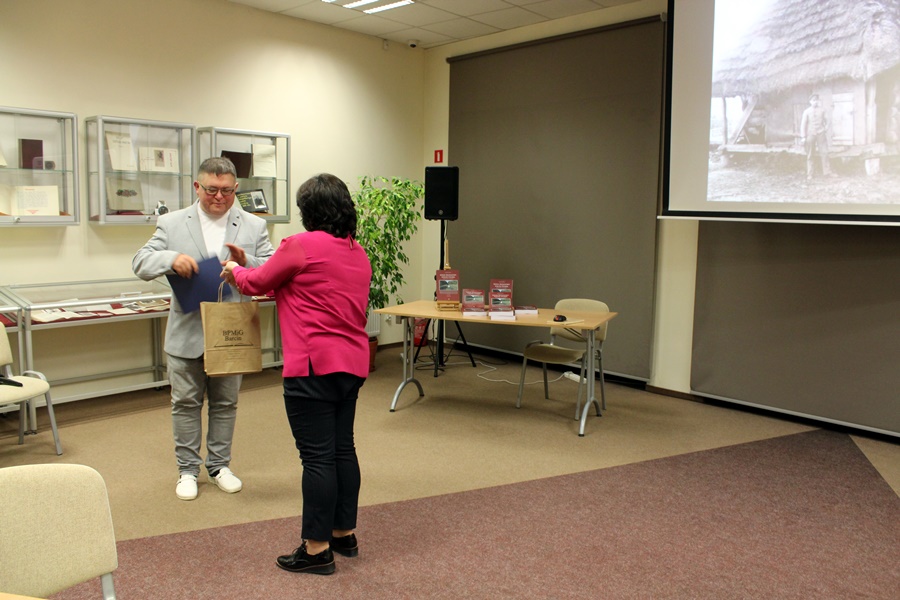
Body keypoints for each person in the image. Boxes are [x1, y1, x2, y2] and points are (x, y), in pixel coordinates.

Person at [222, 173, 371, 576]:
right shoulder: (357, 252)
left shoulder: (300, 245)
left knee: (317, 457)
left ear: (308, 211)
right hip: (352, 364)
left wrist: (235, 270)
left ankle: (317, 549)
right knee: (343, 449)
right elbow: (295, 285)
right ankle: (343, 534)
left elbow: (258, 282)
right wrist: (251, 267)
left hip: (312, 366)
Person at [133, 156, 274, 501]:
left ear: (236, 188)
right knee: (185, 403)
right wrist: (170, 259)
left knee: (226, 403)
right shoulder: (172, 222)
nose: (219, 197)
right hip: (187, 329)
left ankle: (219, 466)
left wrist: (245, 263)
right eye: (211, 190)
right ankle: (187, 470)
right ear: (197, 187)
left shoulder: (253, 226)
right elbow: (140, 262)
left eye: (227, 191)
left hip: (232, 330)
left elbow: (271, 269)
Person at [800, 93, 834, 180]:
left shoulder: (822, 110)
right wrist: (803, 137)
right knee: (810, 154)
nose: (815, 102)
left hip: (821, 134)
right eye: (813, 100)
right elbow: (803, 125)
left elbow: (828, 120)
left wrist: (825, 129)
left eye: (816, 100)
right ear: (810, 102)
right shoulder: (806, 111)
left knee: (824, 152)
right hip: (810, 135)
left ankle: (827, 172)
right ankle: (810, 173)